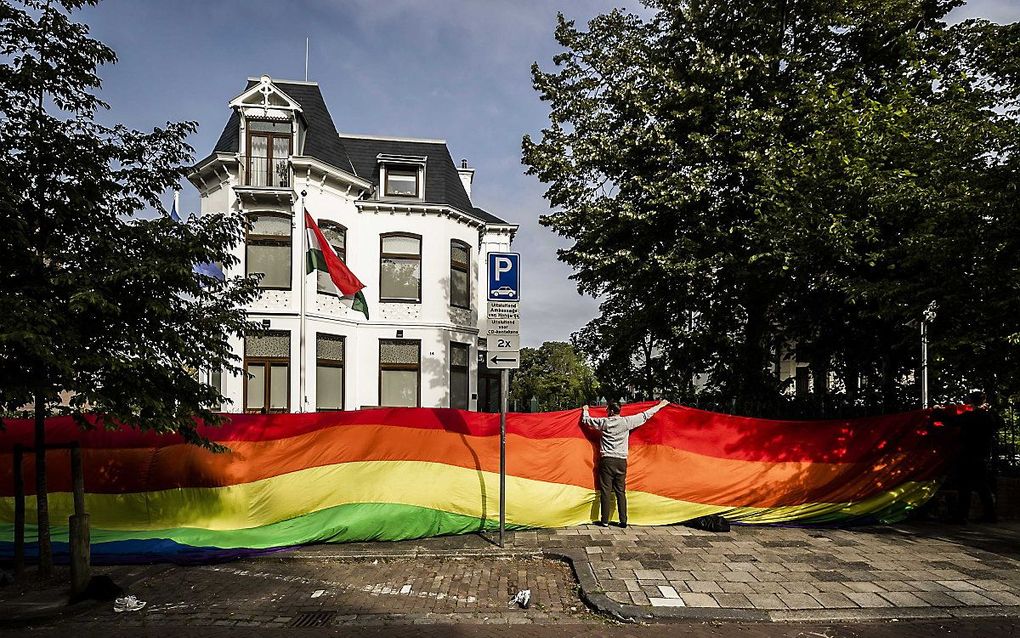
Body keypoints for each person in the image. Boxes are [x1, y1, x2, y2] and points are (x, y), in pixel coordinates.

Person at [580, 399, 669, 528]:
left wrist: (585, 410)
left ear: (610, 411)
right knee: (620, 491)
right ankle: (623, 520)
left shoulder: (604, 423)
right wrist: (660, 405)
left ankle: (605, 520)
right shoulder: (627, 422)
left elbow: (586, 421)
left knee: (605, 491)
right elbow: (645, 415)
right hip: (621, 462)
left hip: (607, 461)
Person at [951, 389, 1001, 524]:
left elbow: (952, 421)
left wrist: (937, 410)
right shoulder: (989, 417)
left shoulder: (969, 416)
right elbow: (999, 423)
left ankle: (961, 516)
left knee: (964, 486)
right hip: (982, 454)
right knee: (982, 486)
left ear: (970, 401)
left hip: (967, 454)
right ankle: (990, 515)